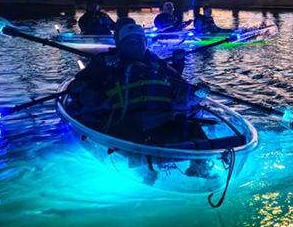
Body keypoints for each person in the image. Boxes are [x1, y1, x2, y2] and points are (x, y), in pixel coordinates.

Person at [67, 20, 204, 146]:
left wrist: (197, 92)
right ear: (120, 45)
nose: (134, 47)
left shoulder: (158, 64)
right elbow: (86, 94)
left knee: (193, 130)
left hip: (162, 120)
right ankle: (145, 169)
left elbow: (181, 88)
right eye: (129, 43)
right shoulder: (106, 63)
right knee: (128, 135)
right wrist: (101, 72)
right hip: (125, 121)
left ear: (145, 43)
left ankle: (201, 166)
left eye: (138, 42)